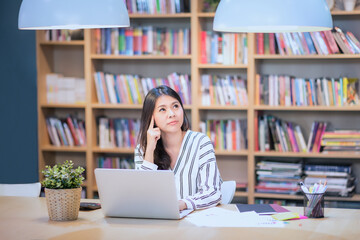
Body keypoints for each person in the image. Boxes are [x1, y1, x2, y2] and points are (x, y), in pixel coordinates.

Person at [134, 85, 222, 211]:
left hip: (196, 222)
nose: (172, 114)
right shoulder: (142, 150)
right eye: (162, 109)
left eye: (175, 106)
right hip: (158, 223)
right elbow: (141, 196)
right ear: (151, 117)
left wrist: (182, 204)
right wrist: (149, 151)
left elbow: (213, 193)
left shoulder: (201, 142)